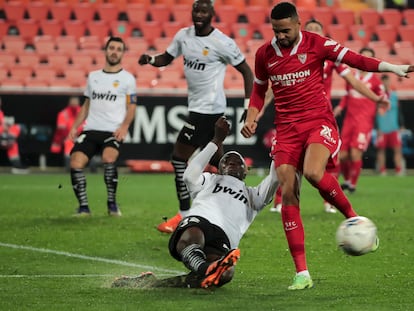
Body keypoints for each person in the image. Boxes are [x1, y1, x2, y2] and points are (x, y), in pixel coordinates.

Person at [241, 2, 412, 290]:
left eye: (285, 30)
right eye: (276, 31)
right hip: (287, 129)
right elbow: (259, 89)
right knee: (288, 188)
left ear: (298, 24)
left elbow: (356, 60)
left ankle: (354, 219)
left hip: (318, 121)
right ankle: (302, 273)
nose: (280, 36)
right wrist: (251, 117)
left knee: (313, 172)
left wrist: (393, 67)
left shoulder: (317, 44)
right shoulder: (264, 54)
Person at [112, 116, 279, 289]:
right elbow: (188, 175)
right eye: (227, 161)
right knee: (194, 236)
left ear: (246, 172)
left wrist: (279, 151)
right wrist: (216, 140)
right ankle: (208, 268)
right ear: (220, 169)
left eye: (238, 163)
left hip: (225, 238)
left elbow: (275, 177)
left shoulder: (254, 195)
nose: (232, 164)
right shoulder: (209, 180)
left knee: (226, 274)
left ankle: (155, 284)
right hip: (200, 222)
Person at [138, 0, 253, 233]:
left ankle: (185, 214)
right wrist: (150, 60)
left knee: (179, 157)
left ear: (212, 14)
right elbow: (167, 58)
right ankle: (240, 202)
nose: (199, 15)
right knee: (219, 165)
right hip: (199, 109)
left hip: (208, 111)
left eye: (203, 11)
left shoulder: (221, 42)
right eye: (196, 11)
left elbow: (247, 72)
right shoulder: (183, 36)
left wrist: (248, 107)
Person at [270, 19, 389, 213]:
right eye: (311, 29)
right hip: (291, 116)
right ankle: (280, 201)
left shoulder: (328, 56)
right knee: (287, 161)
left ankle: (329, 202)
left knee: (327, 161)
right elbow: (270, 86)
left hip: (319, 117)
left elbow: (353, 81)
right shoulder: (285, 56)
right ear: (302, 31)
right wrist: (254, 109)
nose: (315, 32)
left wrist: (376, 99)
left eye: (318, 29)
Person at [68, 37, 137, 217]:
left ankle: (112, 204)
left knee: (108, 159)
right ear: (105, 50)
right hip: (91, 129)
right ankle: (84, 208)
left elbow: (132, 107)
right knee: (75, 163)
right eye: (111, 48)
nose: (114, 51)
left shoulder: (127, 79)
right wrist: (75, 126)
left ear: (122, 53)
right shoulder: (93, 76)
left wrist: (124, 126)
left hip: (112, 130)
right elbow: (86, 105)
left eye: (118, 49)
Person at [336, 47, 387, 193]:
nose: (365, 60)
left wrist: (382, 107)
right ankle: (346, 180)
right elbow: (347, 94)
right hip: (349, 120)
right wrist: (340, 106)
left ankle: (352, 184)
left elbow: (382, 97)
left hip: (364, 121)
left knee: (355, 153)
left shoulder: (376, 81)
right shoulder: (351, 76)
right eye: (363, 57)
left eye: (368, 58)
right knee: (343, 155)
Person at [375, 74, 405, 176]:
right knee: (381, 150)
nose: (386, 83)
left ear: (389, 82)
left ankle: (399, 170)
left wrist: (401, 125)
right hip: (382, 128)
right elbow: (374, 113)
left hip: (394, 127)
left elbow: (399, 111)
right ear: (381, 83)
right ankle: (382, 171)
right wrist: (376, 127)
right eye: (384, 81)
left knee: (397, 149)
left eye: (387, 81)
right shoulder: (377, 96)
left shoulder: (394, 96)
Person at [50, 96, 82, 170]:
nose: (74, 104)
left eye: (76, 102)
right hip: (68, 136)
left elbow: (86, 125)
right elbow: (61, 128)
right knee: (68, 144)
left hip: (81, 135)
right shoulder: (63, 113)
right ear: (69, 103)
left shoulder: (82, 112)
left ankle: (91, 166)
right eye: (73, 102)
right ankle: (68, 167)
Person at [0, 96, 29, 174]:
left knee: (13, 143)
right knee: (15, 129)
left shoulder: (1, 112)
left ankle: (17, 166)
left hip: (3, 136)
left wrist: (5, 126)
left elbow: (4, 125)